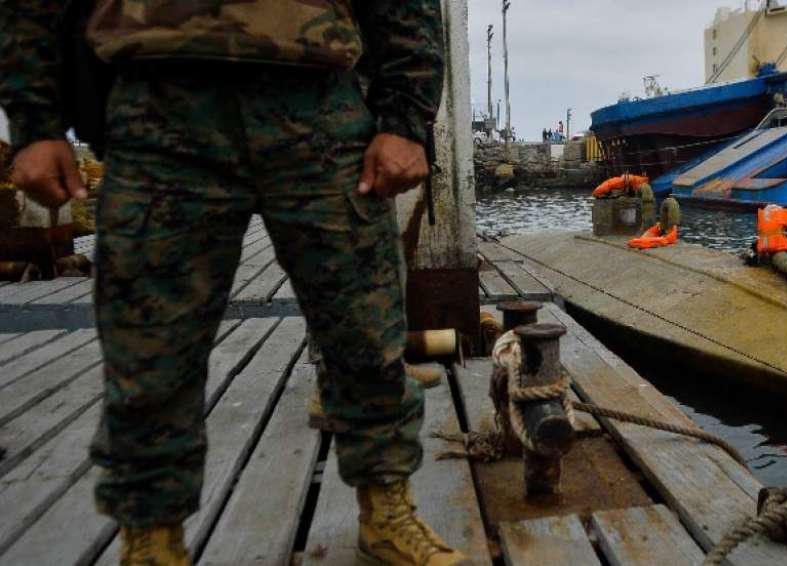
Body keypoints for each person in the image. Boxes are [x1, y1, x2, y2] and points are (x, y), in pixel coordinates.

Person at [0, 2, 465, 565]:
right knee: (149, 345)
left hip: (315, 96)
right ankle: (151, 539)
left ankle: (387, 507)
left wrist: (404, 119)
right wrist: (33, 122)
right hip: (158, 100)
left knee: (366, 325)